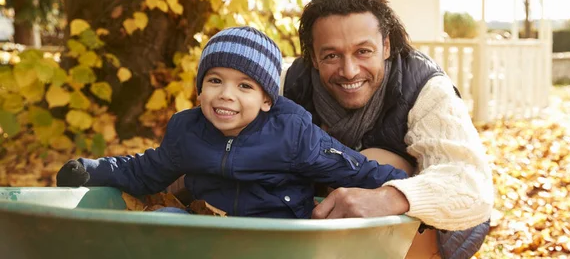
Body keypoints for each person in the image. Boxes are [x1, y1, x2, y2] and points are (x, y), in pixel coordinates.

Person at [56, 26, 408, 218]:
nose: (226, 95)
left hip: (278, 234)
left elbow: (353, 168)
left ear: (266, 100)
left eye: (244, 86)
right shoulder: (187, 131)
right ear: (199, 90)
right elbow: (145, 171)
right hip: (212, 230)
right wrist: (92, 170)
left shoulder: (292, 133)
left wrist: (404, 190)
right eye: (215, 81)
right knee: (162, 220)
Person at [282, 0, 493, 258]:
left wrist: (386, 199)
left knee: (376, 160)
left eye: (363, 52)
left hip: (421, 233)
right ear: (312, 56)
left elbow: (471, 185)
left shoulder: (424, 87)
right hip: (317, 228)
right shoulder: (289, 84)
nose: (349, 71)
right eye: (332, 55)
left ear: (386, 46)